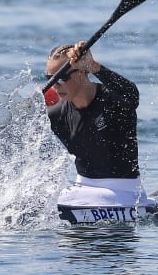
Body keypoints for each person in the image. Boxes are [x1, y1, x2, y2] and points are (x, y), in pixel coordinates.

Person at [45, 41, 150, 207]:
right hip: (81, 189)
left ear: (81, 71)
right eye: (50, 79)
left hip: (126, 193)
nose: (55, 86)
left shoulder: (114, 100)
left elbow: (132, 95)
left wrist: (94, 67)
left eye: (61, 78)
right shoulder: (56, 115)